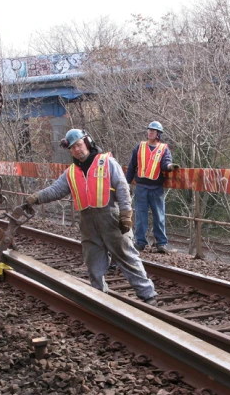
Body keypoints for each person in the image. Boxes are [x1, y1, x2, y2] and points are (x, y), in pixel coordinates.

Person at [26, 129, 158, 304]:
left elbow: (122, 187)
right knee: (93, 261)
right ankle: (99, 298)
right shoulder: (71, 172)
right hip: (87, 221)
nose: (77, 150)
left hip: (111, 217)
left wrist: (126, 214)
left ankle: (148, 295)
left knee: (127, 256)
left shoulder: (107, 162)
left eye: (79, 145)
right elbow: (56, 190)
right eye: (73, 148)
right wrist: (36, 197)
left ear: (87, 143)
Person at [125, 121, 180, 253]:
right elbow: (132, 165)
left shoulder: (163, 149)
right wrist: (126, 183)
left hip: (156, 187)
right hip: (141, 186)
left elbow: (165, 163)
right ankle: (140, 242)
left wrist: (170, 167)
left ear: (158, 134)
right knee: (140, 215)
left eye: (153, 131)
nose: (150, 132)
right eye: (149, 130)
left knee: (159, 215)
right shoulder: (140, 147)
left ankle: (161, 243)